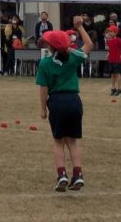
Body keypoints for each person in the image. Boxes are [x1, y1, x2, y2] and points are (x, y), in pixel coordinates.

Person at [37, 17, 93, 192]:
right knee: (73, 142)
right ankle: (78, 175)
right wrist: (80, 27)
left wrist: (42, 109)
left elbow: (44, 88)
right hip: (74, 101)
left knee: (58, 141)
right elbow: (89, 45)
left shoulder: (45, 63)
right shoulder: (73, 57)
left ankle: (61, 174)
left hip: (57, 102)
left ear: (51, 47)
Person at [105, 25, 121, 96]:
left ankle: (119, 89)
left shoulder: (119, 40)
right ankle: (113, 88)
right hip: (111, 59)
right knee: (112, 74)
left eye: (111, 31)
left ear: (115, 32)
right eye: (109, 31)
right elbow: (110, 49)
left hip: (117, 60)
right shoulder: (109, 41)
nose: (110, 33)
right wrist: (108, 53)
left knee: (118, 74)